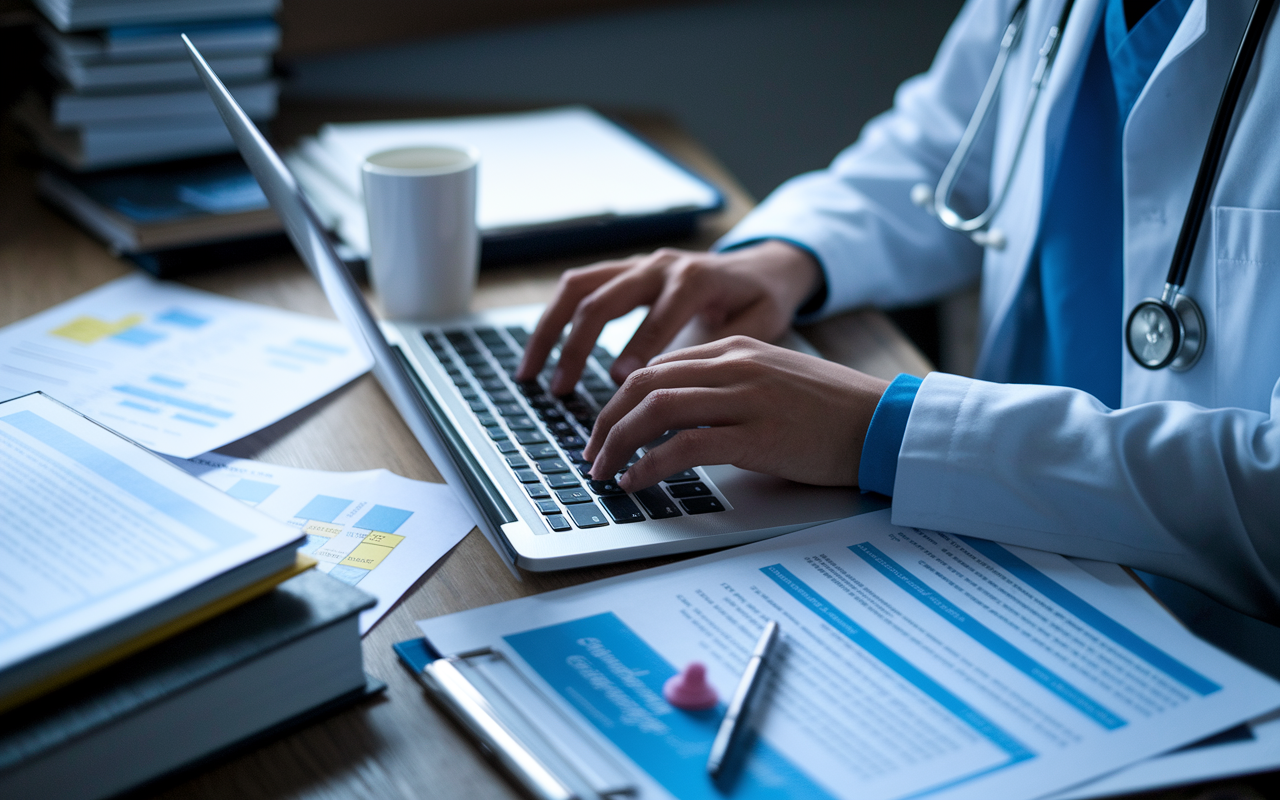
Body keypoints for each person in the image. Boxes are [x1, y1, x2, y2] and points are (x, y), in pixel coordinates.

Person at [515, 0, 1280, 624]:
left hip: (1212, 635)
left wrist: (886, 429)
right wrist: (790, 255)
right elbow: (941, 151)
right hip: (1001, 556)